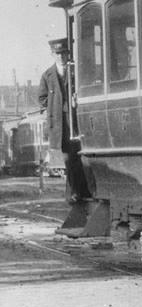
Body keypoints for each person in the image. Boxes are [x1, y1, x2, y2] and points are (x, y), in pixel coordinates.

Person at [38, 37, 91, 203]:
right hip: (61, 125)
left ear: (68, 53)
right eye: (57, 53)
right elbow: (42, 98)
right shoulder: (47, 75)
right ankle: (74, 193)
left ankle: (81, 192)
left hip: (77, 121)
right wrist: (56, 106)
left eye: (63, 53)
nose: (61, 56)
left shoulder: (77, 71)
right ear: (52, 54)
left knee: (81, 158)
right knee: (69, 160)